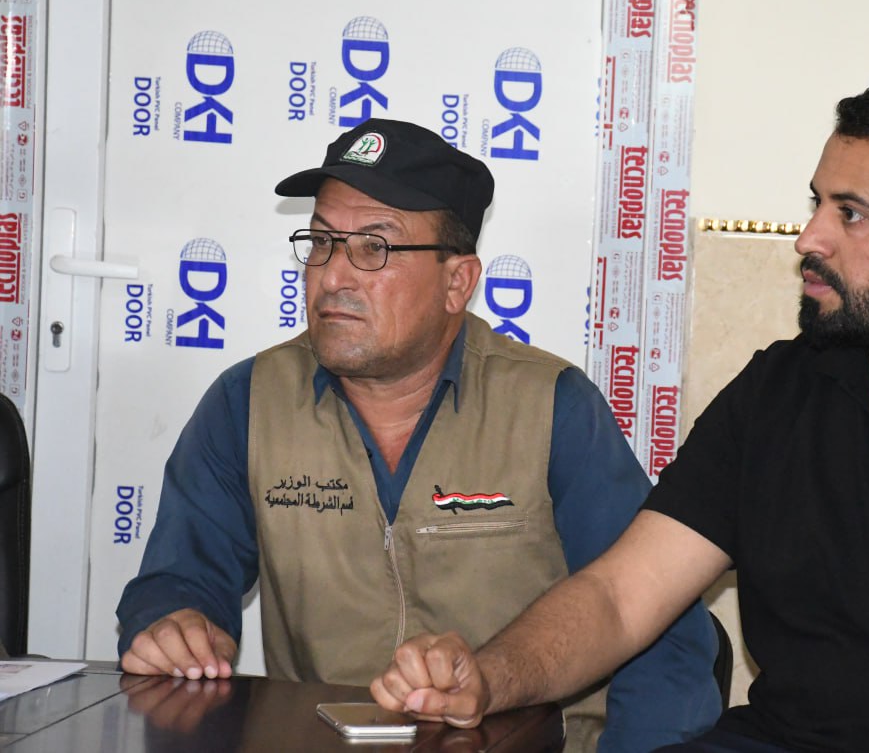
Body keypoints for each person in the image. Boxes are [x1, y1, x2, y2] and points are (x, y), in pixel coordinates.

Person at [370, 72, 869, 752]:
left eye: (851, 213)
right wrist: (489, 677)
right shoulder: (782, 390)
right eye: (816, 203)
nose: (809, 238)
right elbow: (621, 596)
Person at [115, 119, 721, 753]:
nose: (333, 276)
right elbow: (179, 580)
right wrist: (173, 626)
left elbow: (661, 637)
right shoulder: (248, 403)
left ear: (457, 283)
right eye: (321, 242)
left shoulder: (552, 409)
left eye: (374, 247)